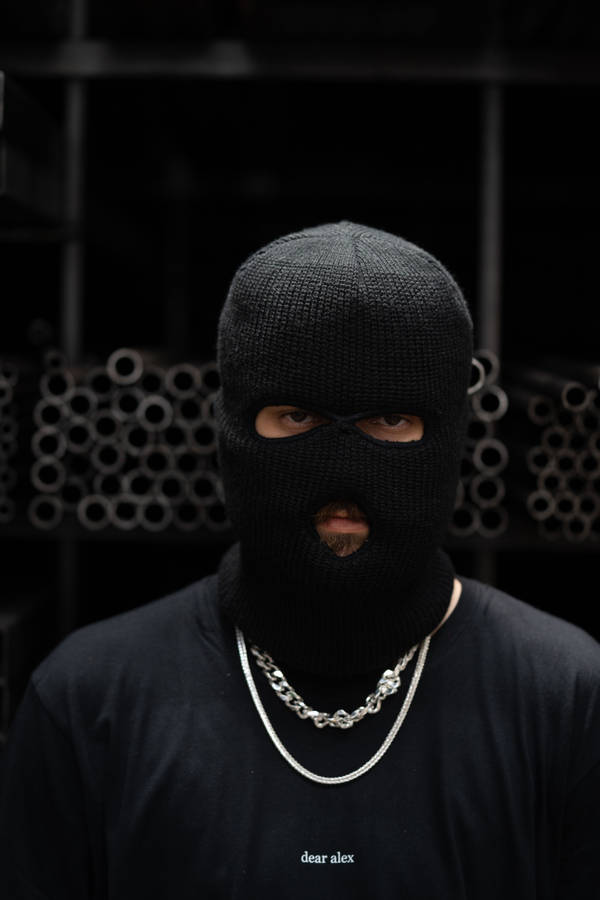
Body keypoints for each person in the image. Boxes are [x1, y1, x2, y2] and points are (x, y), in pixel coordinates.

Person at [1, 220, 598, 899]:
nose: (344, 469)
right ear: (230, 428)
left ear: (448, 436)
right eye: (296, 417)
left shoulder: (570, 702)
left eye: (390, 421)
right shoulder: (88, 702)